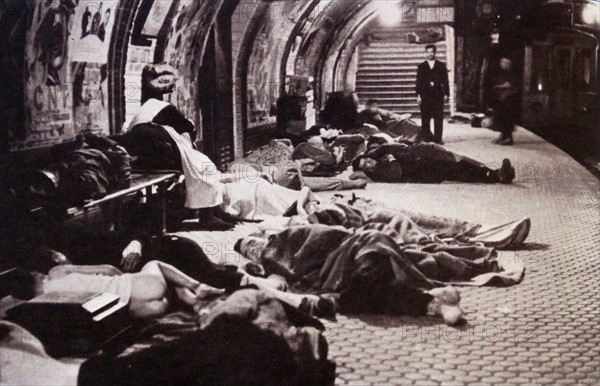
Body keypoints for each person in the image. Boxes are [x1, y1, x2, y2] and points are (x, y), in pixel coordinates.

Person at [236, 224, 469, 325]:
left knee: (365, 276)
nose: (255, 249)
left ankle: (434, 302)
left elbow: (325, 236)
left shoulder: (288, 235)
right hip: (349, 269)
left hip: (358, 244)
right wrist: (251, 278)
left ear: (261, 238)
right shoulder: (273, 266)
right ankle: (434, 302)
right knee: (367, 289)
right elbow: (278, 284)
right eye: (249, 252)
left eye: (252, 243)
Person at [352, 142, 515, 184]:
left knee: (459, 160)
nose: (368, 163)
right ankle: (496, 176)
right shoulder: (380, 174)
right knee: (458, 170)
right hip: (424, 171)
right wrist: (391, 157)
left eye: (366, 160)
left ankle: (495, 172)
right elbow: (396, 173)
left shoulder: (378, 155)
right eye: (365, 166)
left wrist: (380, 153)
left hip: (422, 157)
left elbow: (387, 147)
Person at [416, 44, 449, 145]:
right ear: (425, 53)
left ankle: (438, 138)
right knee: (425, 117)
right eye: (428, 52)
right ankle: (426, 138)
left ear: (435, 52)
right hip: (425, 95)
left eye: (432, 52)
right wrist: (418, 95)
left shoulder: (441, 65)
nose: (430, 54)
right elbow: (418, 82)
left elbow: (445, 81)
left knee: (438, 117)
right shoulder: (421, 67)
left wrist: (446, 94)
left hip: (437, 95)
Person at [491, 58, 519, 145]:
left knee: (507, 117)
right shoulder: (502, 73)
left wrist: (498, 87)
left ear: (507, 64)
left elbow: (509, 85)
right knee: (500, 116)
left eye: (503, 62)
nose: (501, 64)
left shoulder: (512, 73)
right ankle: (503, 134)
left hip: (509, 98)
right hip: (501, 98)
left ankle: (508, 137)